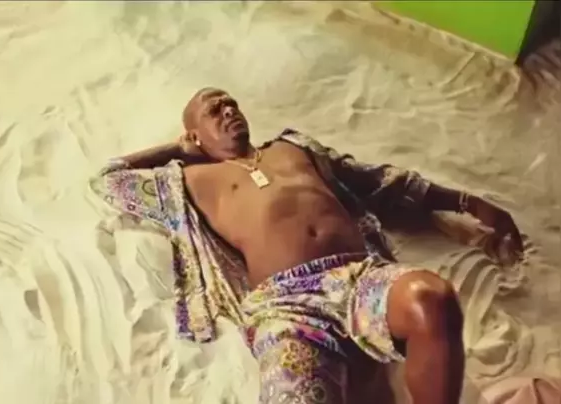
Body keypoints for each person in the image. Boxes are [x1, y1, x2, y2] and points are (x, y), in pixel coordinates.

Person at [89, 87, 524, 404]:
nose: (229, 110)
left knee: (432, 297)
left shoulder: (293, 147)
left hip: (360, 279)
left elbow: (377, 180)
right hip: (287, 308)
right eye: (214, 109)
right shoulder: (189, 180)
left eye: (231, 102)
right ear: (195, 134)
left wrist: (465, 201)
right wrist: (179, 149)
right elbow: (107, 180)